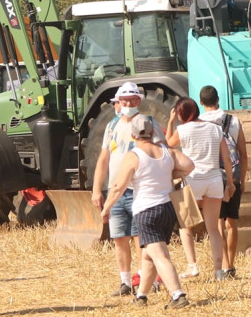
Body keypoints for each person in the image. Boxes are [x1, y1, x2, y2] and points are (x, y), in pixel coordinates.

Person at [100, 115, 193, 309]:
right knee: (148, 255)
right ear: (152, 132)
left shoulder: (134, 155)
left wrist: (106, 208)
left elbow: (118, 186)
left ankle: (178, 295)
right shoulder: (167, 150)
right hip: (168, 209)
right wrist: (171, 173)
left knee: (159, 256)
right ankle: (141, 295)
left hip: (146, 211)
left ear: (133, 135)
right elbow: (189, 166)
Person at [91, 82, 166, 297]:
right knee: (119, 237)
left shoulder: (148, 124)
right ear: (118, 102)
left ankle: (145, 279)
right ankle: (125, 282)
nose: (129, 104)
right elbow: (103, 158)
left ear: (139, 101)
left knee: (139, 237)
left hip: (139, 189)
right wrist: (97, 189)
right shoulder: (111, 126)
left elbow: (162, 150)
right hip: (115, 190)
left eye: (133, 100)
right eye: (125, 100)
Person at [166, 99, 234, 280]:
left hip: (192, 179)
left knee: (185, 225)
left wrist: (170, 122)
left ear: (181, 114)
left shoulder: (182, 130)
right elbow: (226, 159)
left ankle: (192, 266)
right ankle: (219, 271)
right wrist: (231, 182)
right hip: (213, 180)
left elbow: (168, 145)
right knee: (213, 229)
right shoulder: (215, 129)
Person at [198, 84, 247, 278]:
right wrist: (241, 180)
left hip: (211, 177)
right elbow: (243, 154)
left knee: (217, 223)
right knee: (231, 222)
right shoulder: (233, 121)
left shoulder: (199, 122)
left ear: (201, 102)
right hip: (232, 177)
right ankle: (231, 266)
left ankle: (222, 263)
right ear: (218, 100)